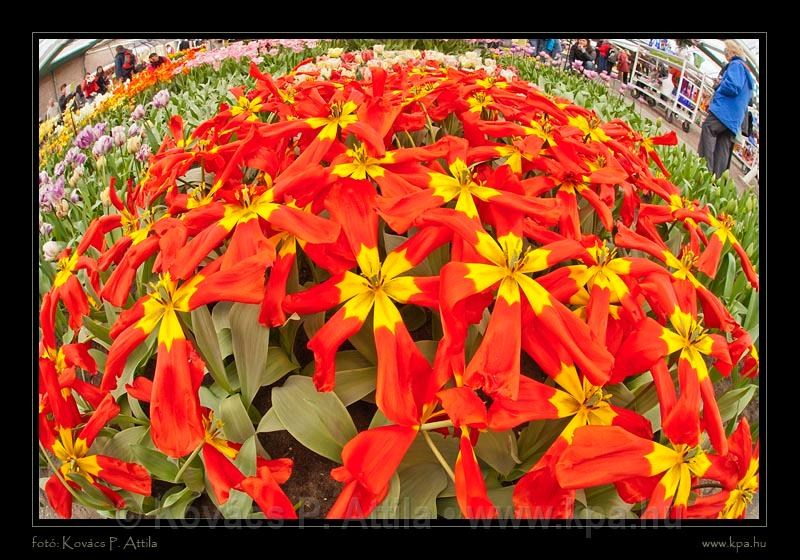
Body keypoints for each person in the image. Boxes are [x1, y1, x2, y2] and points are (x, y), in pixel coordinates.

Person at [697, 40, 755, 179]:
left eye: (726, 52)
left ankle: (704, 171)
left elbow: (732, 87)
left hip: (723, 112)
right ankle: (716, 180)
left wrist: (720, 84)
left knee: (708, 129)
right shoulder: (746, 72)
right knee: (723, 145)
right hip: (734, 118)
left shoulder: (735, 65)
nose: (725, 55)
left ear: (731, 52)